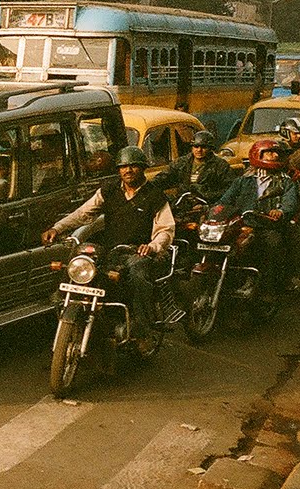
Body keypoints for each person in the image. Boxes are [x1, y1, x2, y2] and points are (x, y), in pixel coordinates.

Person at [41, 146, 175, 353]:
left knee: (138, 274)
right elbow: (83, 213)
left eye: (133, 166)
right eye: (123, 167)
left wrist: (152, 246)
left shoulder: (155, 196)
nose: (128, 170)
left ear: (142, 169)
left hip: (138, 252)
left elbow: (165, 230)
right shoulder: (109, 190)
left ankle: (142, 330)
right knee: (78, 264)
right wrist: (57, 228)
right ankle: (68, 314)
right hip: (110, 249)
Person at [214, 139, 300, 301]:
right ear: (258, 154)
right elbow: (225, 200)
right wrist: (214, 211)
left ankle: (268, 287)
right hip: (242, 225)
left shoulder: (285, 181)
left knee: (273, 244)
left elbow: (291, 202)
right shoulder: (243, 180)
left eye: (276, 153)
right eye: (269, 152)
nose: (275, 155)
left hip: (267, 225)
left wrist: (280, 211)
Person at [152, 130, 236, 205]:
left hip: (207, 205)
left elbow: (230, 190)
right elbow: (164, 177)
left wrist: (207, 194)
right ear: (192, 147)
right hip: (182, 205)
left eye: (203, 147)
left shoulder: (220, 166)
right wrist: (148, 186)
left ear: (210, 148)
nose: (199, 150)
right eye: (196, 146)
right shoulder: (181, 163)